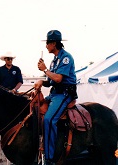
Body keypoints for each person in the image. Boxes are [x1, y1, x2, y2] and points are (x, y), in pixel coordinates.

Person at [34, 30, 78, 164]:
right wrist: (42, 81)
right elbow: (52, 81)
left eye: (47, 43)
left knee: (48, 119)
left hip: (65, 94)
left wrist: (45, 70)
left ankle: (49, 158)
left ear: (54, 43)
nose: (46, 46)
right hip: (55, 93)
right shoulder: (54, 61)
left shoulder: (66, 58)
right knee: (34, 108)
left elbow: (58, 79)